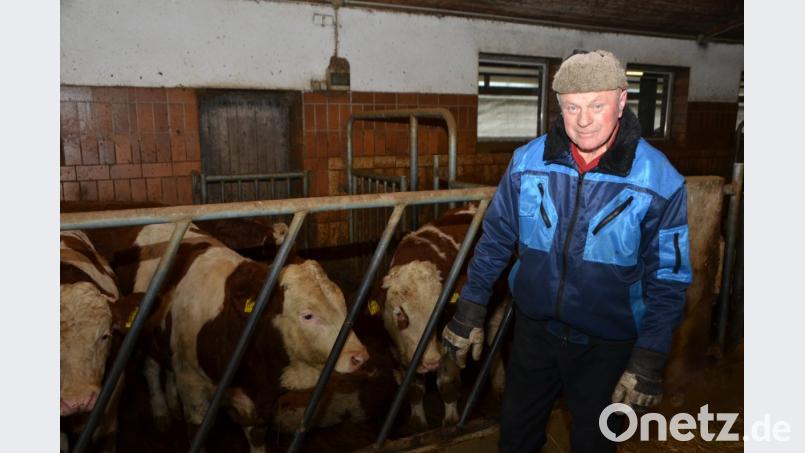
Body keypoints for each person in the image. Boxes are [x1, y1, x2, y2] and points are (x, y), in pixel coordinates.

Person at [441, 50, 692, 452]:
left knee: (594, 444)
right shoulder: (526, 163)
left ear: (622, 101)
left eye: (597, 105)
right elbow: (496, 238)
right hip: (534, 332)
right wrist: (471, 306)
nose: (584, 119)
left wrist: (649, 356)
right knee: (516, 436)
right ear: (559, 105)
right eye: (572, 106)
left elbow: (669, 278)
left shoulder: (660, 181)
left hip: (608, 344)